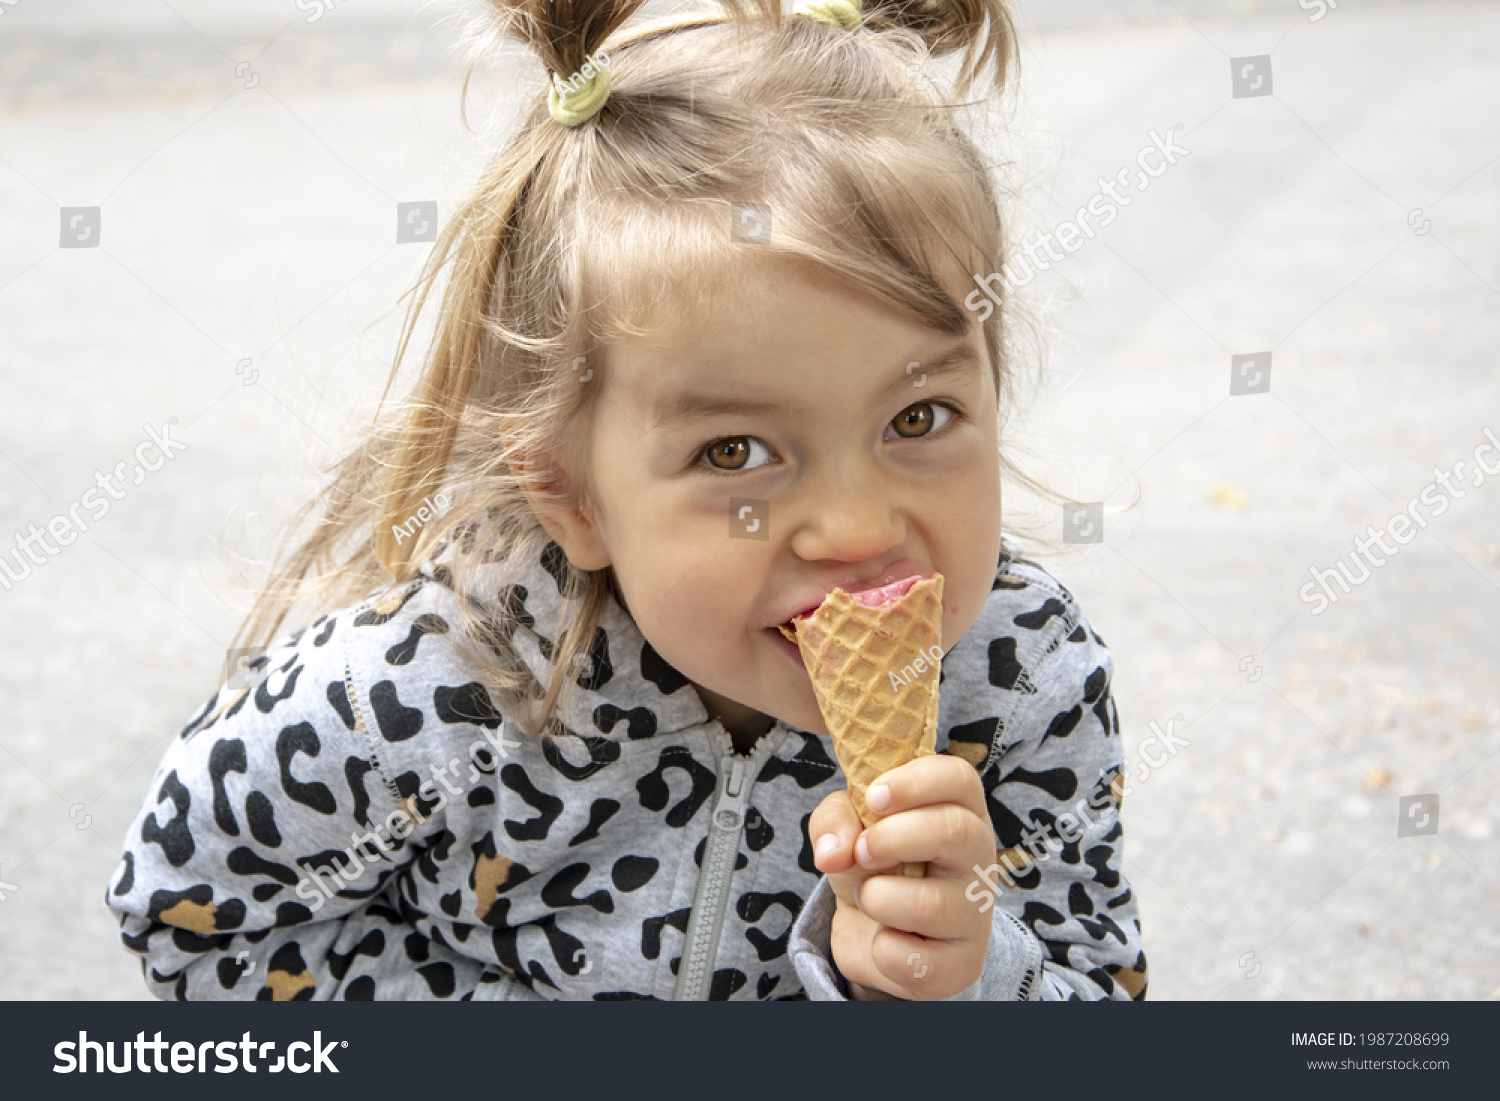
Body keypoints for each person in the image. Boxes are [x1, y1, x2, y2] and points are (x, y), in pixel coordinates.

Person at [105, 0, 1147, 1001]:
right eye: (736, 450)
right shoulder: (436, 685)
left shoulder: (1018, 680)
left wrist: (960, 983)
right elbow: (193, 905)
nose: (858, 528)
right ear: (568, 493)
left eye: (916, 421)